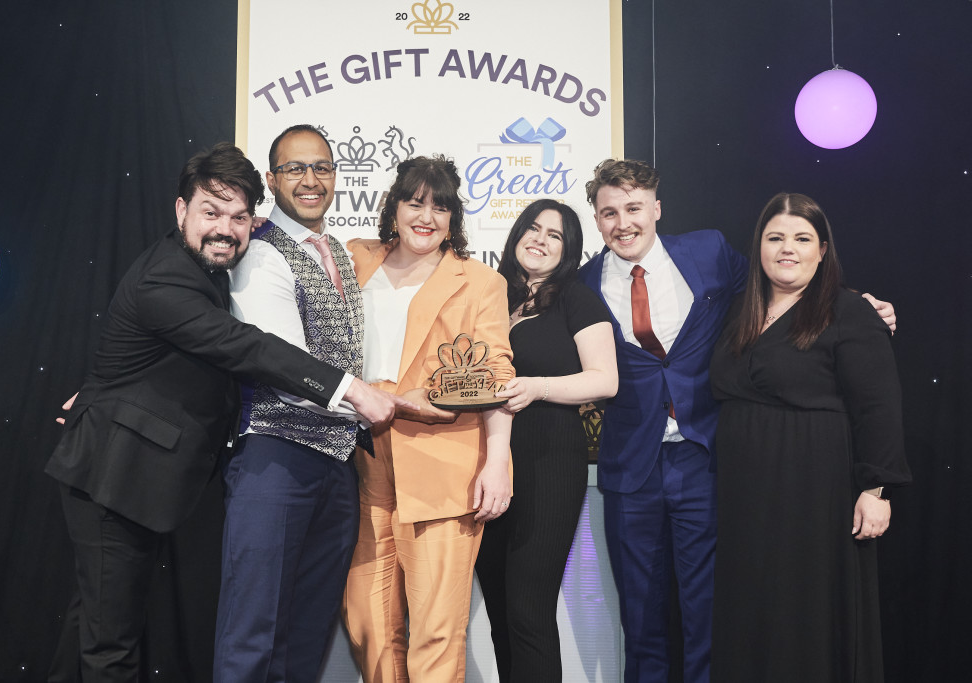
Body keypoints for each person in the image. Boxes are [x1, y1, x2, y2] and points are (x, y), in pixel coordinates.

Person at [44, 142, 405, 682]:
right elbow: (245, 346)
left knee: (92, 626)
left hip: (145, 475)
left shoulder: (213, 264)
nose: (225, 229)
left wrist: (100, 385)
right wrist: (351, 389)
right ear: (179, 210)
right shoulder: (166, 278)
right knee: (110, 642)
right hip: (112, 477)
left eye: (239, 218)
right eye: (211, 213)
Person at [577, 159, 897, 683]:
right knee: (640, 620)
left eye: (634, 208)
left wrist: (857, 305)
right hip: (629, 469)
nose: (623, 222)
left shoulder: (707, 253)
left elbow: (782, 280)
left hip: (705, 461)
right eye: (609, 212)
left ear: (656, 209)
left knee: (709, 616)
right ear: (596, 218)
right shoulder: (583, 284)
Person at [708, 193, 911, 683]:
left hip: (815, 488)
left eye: (802, 239)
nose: (787, 249)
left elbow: (878, 406)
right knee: (753, 606)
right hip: (745, 493)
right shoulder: (738, 310)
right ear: (758, 246)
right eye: (775, 237)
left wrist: (875, 489)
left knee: (808, 604)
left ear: (823, 250)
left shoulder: (850, 311)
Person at [341, 155, 514, 682]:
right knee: (366, 624)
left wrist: (498, 460)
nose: (426, 215)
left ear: (453, 218)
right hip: (358, 462)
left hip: (443, 465)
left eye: (440, 206)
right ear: (393, 208)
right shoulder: (353, 259)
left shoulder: (480, 282)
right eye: (415, 202)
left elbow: (496, 375)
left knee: (436, 631)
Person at [212, 124, 366, 681]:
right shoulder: (258, 252)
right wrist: (379, 402)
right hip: (275, 458)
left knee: (307, 630)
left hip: (337, 464)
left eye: (321, 167)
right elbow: (280, 366)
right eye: (295, 168)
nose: (310, 179)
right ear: (272, 179)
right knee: (253, 630)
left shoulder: (339, 255)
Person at [475, 199, 618, 682]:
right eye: (533, 229)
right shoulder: (490, 295)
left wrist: (540, 387)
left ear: (569, 250)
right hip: (487, 462)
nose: (540, 239)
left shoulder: (576, 298)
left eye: (555, 235)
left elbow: (605, 380)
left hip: (550, 459)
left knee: (528, 612)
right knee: (499, 612)